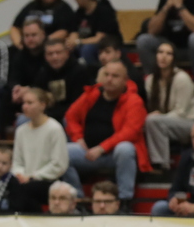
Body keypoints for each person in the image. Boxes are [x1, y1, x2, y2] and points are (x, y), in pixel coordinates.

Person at [62, 61, 149, 210]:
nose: (109, 79)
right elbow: (70, 116)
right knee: (61, 152)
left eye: (115, 76)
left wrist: (102, 148)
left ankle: (125, 201)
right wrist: (78, 138)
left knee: (125, 148)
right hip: (88, 151)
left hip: (113, 155)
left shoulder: (134, 101)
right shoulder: (92, 94)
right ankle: (77, 199)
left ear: (125, 80)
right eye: (106, 75)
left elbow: (130, 132)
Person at [10, 88, 70, 213]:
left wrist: (33, 176)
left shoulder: (54, 129)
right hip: (25, 180)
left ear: (42, 105)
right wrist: (20, 174)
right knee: (14, 186)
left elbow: (59, 164)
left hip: (47, 181)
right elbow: (17, 162)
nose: (25, 106)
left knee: (25, 191)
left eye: (30, 103)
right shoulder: (21, 131)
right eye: (24, 103)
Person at [143, 41, 194, 168]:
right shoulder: (150, 80)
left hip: (189, 123)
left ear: (174, 58)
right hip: (165, 122)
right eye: (160, 52)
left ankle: (161, 164)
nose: (163, 56)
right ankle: (150, 164)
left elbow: (181, 112)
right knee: (148, 121)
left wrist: (160, 117)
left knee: (152, 120)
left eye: (168, 54)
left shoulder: (182, 78)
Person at [37, 37, 90, 125]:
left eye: (58, 52)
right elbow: (39, 97)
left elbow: (78, 104)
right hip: (48, 113)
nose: (55, 57)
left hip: (72, 113)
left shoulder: (79, 71)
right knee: (23, 119)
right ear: (45, 56)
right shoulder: (43, 72)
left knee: (67, 120)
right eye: (50, 54)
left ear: (67, 53)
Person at [7, 19, 50, 124]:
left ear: (43, 35)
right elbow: (13, 78)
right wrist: (16, 88)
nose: (30, 39)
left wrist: (29, 90)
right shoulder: (19, 55)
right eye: (26, 36)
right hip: (22, 97)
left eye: (34, 35)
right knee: (3, 93)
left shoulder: (50, 54)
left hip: (45, 98)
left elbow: (47, 82)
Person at [9, 0, 76, 41]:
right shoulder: (31, 6)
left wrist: (42, 43)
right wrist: (19, 44)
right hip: (28, 44)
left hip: (51, 45)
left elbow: (64, 32)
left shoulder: (64, 8)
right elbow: (15, 28)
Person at [70, 0, 121, 64]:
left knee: (87, 49)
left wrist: (78, 42)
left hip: (104, 44)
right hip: (83, 43)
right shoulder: (79, 12)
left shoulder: (104, 11)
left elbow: (99, 38)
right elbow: (74, 31)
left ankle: (92, 70)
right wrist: (71, 42)